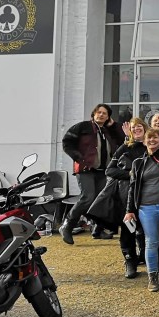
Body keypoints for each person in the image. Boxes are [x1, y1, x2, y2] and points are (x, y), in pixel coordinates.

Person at [123, 128, 159, 292]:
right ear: (144, 141)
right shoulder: (138, 163)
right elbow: (132, 188)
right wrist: (129, 210)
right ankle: (152, 276)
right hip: (145, 207)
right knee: (151, 241)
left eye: (155, 138)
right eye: (149, 138)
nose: (152, 141)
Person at [60, 103, 125, 243]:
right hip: (86, 169)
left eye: (104, 113)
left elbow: (122, 140)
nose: (101, 115)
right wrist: (79, 158)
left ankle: (97, 230)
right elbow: (67, 142)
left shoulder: (108, 131)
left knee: (101, 200)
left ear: (108, 117)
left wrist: (113, 125)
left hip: (103, 171)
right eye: (99, 112)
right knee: (88, 198)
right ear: (94, 114)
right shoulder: (82, 126)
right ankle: (67, 225)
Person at [102, 118, 148, 278]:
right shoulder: (124, 148)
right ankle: (130, 260)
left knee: (145, 229)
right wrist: (130, 174)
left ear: (145, 128)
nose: (137, 129)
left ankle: (146, 256)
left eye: (139, 126)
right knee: (128, 229)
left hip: (148, 194)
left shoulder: (151, 146)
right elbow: (109, 170)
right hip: (126, 195)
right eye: (134, 127)